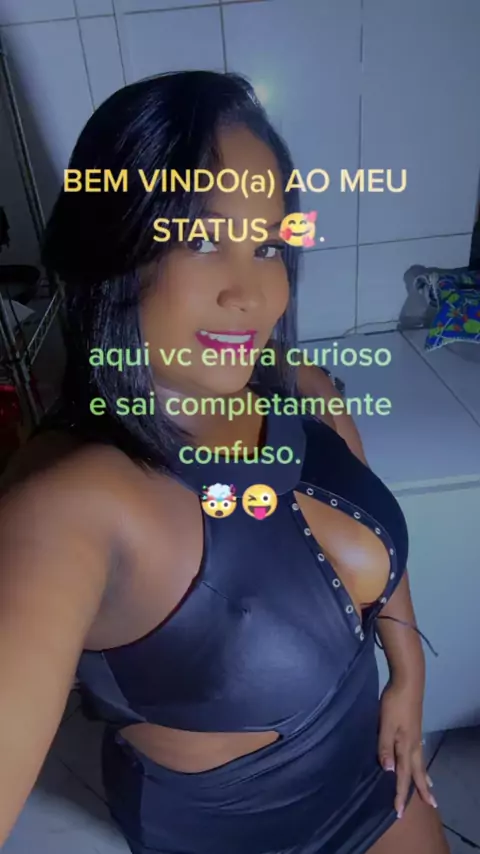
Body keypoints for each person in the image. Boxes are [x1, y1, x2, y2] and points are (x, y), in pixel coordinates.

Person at [0, 70, 450, 854]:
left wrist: (407, 674)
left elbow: (377, 547)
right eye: (203, 239)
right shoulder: (71, 503)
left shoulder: (302, 390)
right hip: (224, 831)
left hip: (368, 771)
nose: (252, 293)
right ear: (115, 247)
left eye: (268, 244)